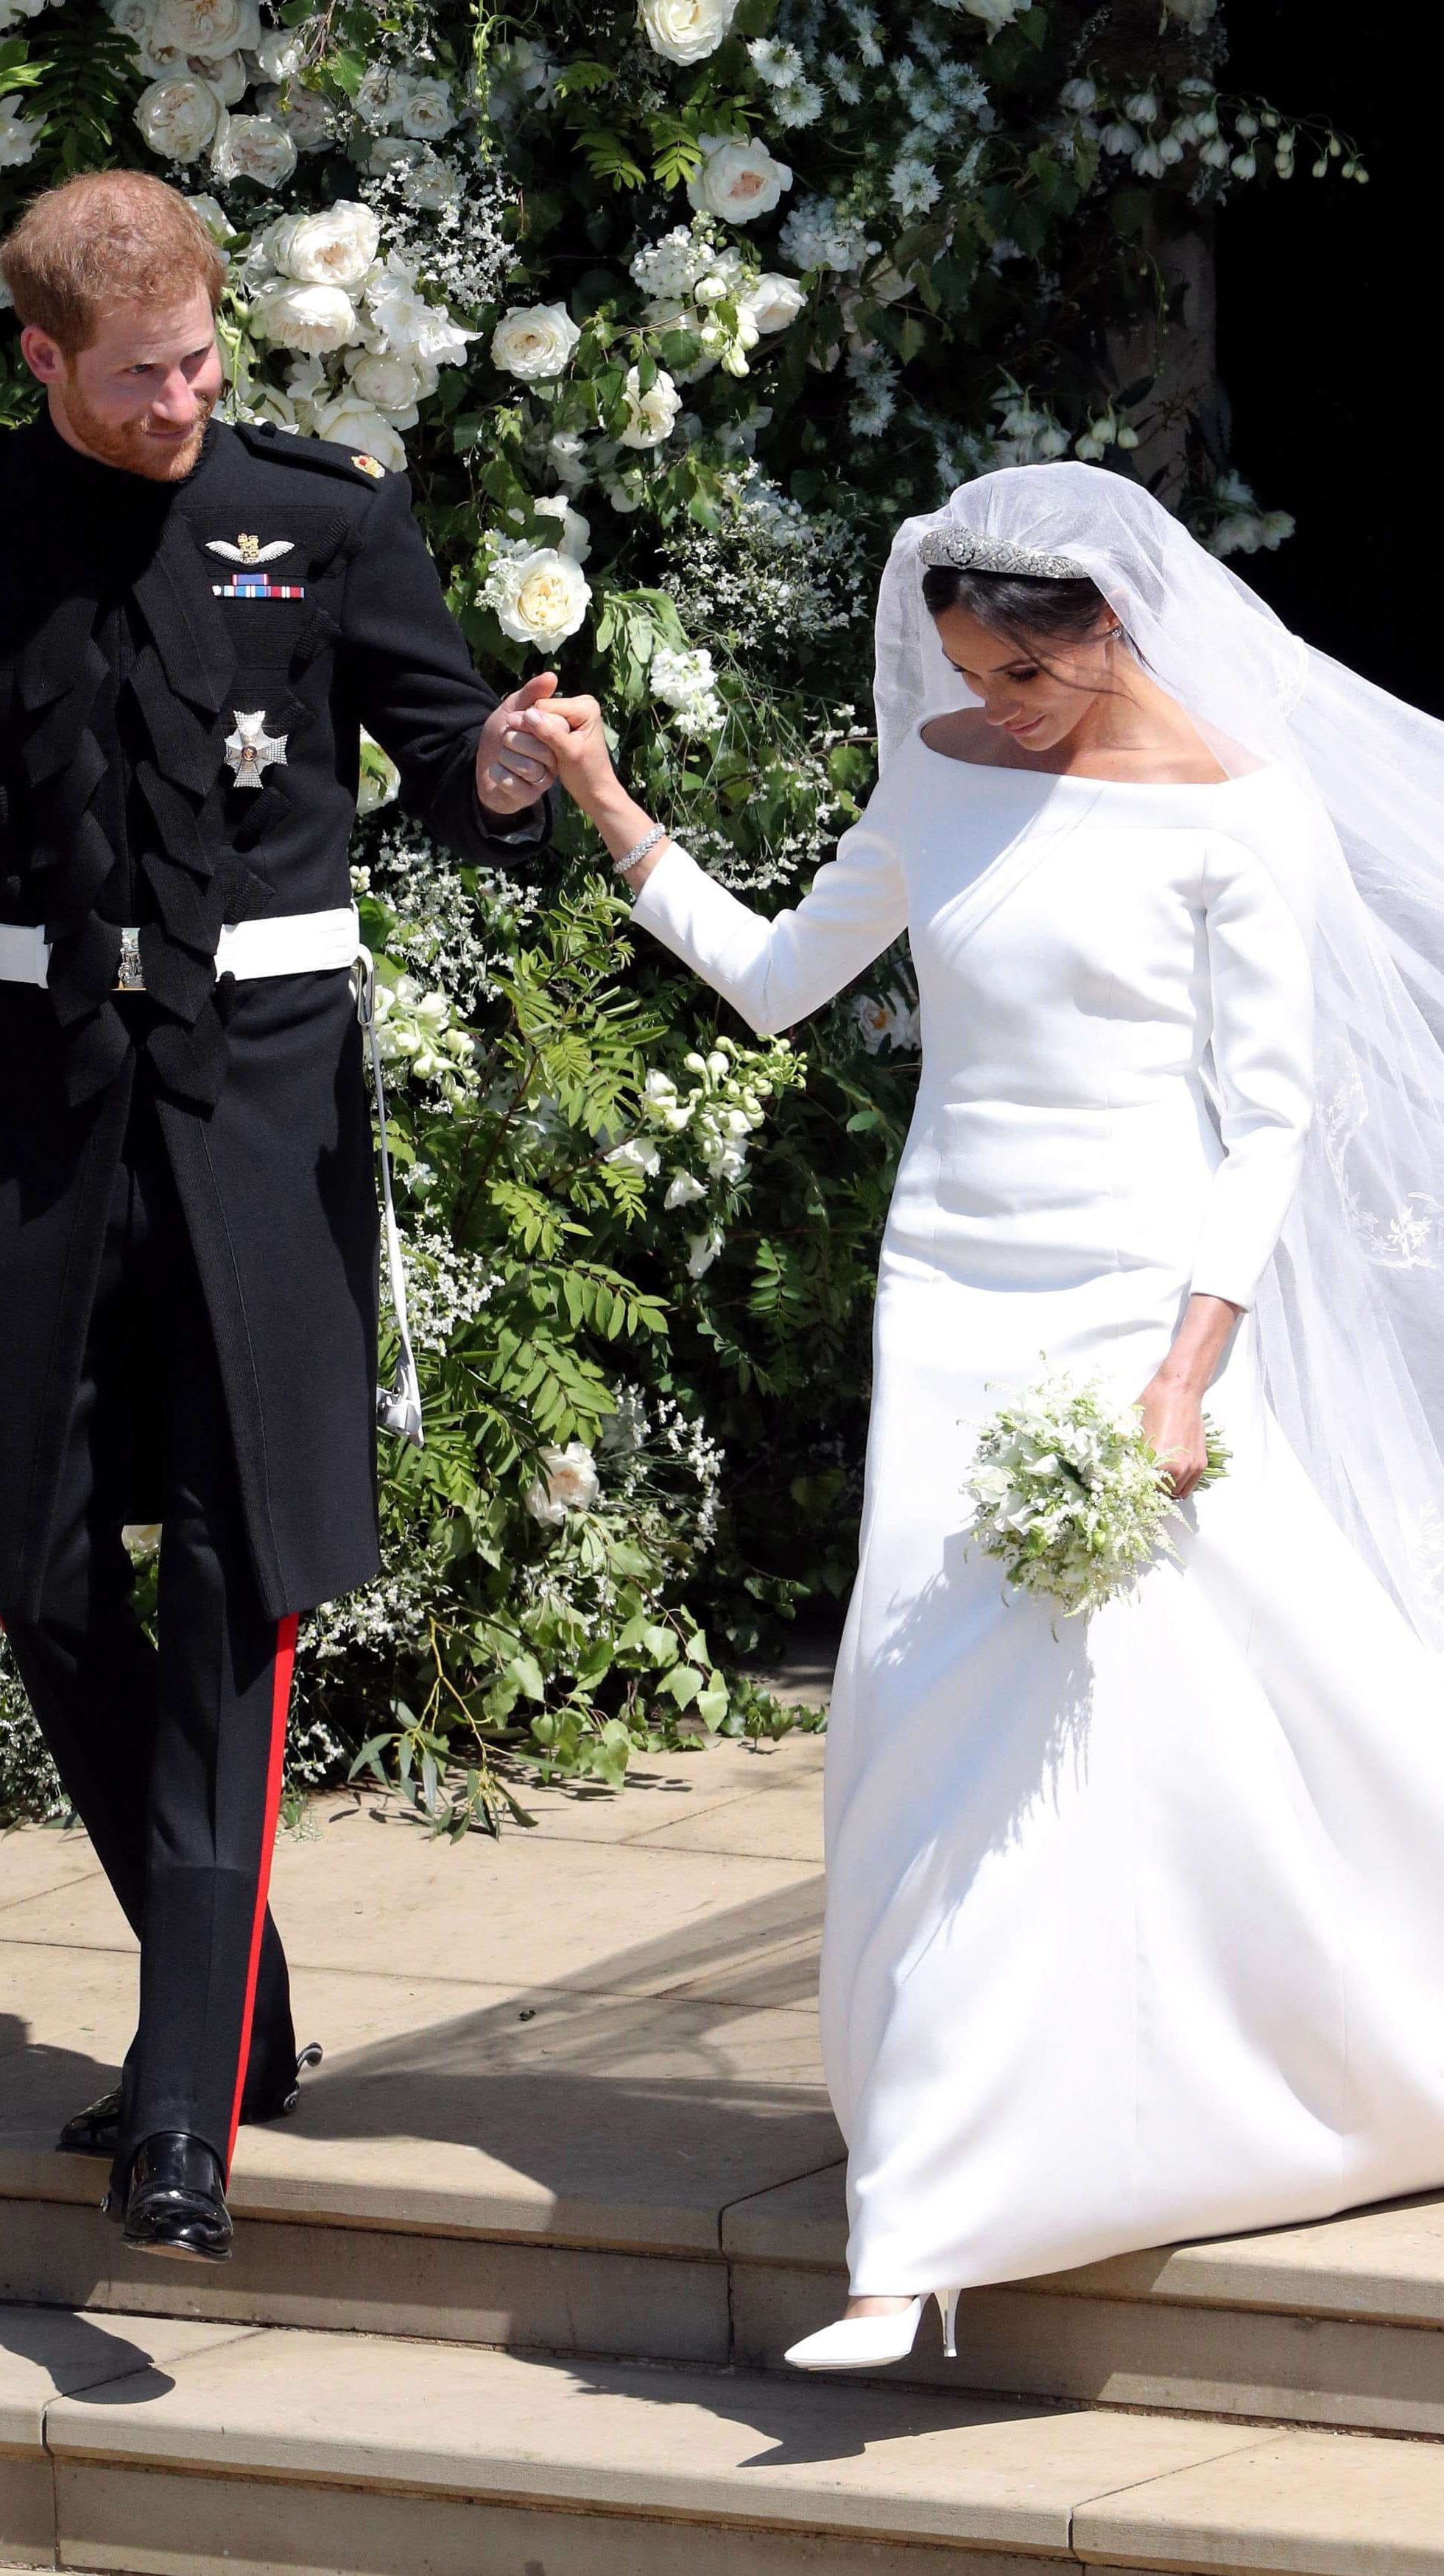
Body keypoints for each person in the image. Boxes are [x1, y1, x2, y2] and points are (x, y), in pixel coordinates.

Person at [534, 459, 1444, 2368]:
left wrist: (1185, 1373)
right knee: (932, 1715)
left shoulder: (1238, 810)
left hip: (1140, 1304)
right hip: (951, 1290)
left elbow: (1269, 1121)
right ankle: (930, 2201)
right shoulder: (940, 772)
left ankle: (981, 2201)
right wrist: (609, 800)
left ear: (1113, 629)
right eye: (962, 671)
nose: (991, 704)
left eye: (1024, 674)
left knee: (1172, 1711)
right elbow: (781, 980)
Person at [0, 171, 557, 2263]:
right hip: (37, 1109)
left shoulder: (323, 513)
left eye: (207, 360)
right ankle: (239, 1994)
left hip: (261, 1106)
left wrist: (505, 771)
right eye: (142, 376)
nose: (186, 400)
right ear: (42, 358)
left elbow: (446, 751)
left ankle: (180, 2111)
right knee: (27, 1554)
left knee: (237, 1562)